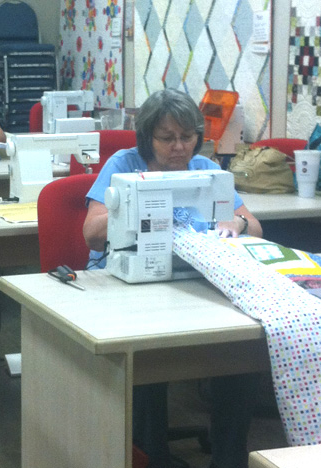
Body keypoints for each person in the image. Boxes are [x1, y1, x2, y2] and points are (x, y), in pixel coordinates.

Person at [83, 89, 263, 468]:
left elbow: (256, 227)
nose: (179, 147)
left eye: (187, 137)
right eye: (167, 138)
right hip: (127, 281)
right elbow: (92, 233)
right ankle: (153, 458)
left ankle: (229, 460)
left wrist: (239, 222)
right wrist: (131, 209)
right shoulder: (123, 164)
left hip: (190, 280)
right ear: (147, 137)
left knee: (241, 347)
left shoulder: (206, 170)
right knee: (146, 350)